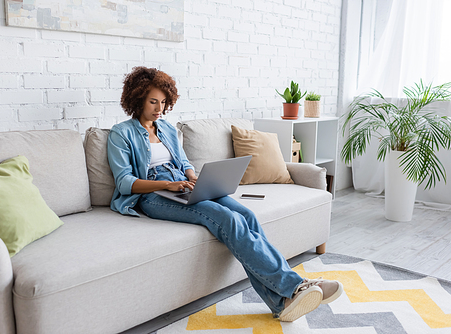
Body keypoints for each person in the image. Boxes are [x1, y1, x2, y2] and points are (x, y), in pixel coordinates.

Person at [107, 66, 343, 322]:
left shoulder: (165, 128)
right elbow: (125, 183)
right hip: (152, 196)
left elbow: (183, 162)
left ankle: (281, 302)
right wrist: (166, 185)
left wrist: (193, 176)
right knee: (228, 219)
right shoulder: (122, 133)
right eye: (153, 102)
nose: (159, 109)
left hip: (182, 186)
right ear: (137, 98)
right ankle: (296, 287)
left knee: (246, 215)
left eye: (164, 102)